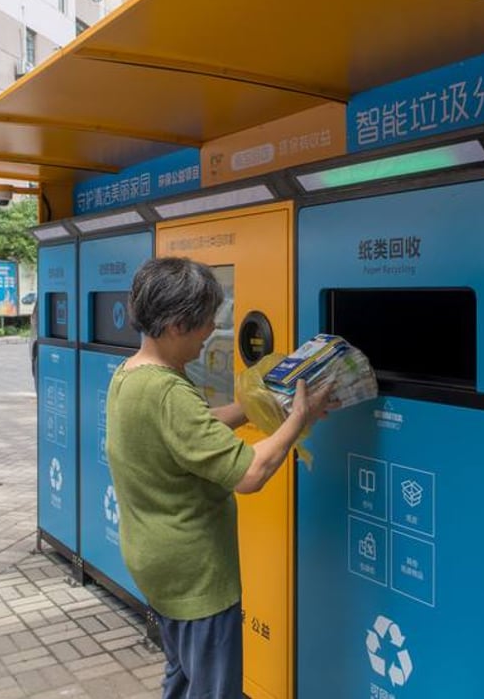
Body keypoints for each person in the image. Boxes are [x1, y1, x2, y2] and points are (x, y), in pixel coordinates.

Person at [106, 257, 333, 699]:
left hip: (156, 560)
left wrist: (257, 408)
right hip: (196, 576)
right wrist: (299, 416)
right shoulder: (168, 392)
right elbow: (250, 472)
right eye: (206, 319)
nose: (213, 328)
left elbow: (194, 427)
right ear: (175, 324)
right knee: (213, 688)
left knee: (183, 673)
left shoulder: (132, 374)